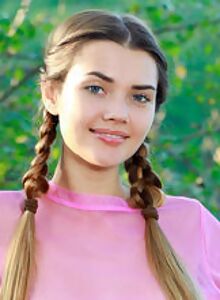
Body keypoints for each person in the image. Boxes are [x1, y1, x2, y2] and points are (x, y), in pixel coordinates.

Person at [0, 9, 219, 300]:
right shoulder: (5, 221)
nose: (117, 113)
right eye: (95, 88)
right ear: (51, 93)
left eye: (140, 97)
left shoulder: (194, 227)